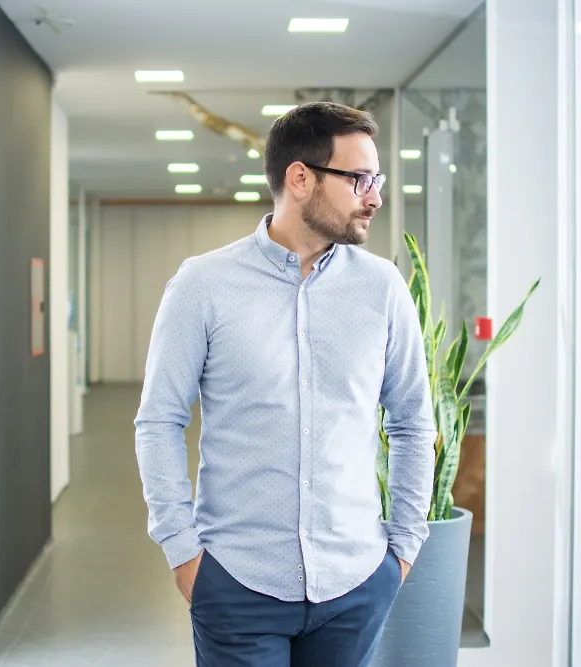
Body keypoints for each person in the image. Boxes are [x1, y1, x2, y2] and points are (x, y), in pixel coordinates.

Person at [133, 101, 437, 667]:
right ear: (300, 178)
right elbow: (158, 421)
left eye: (377, 180)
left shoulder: (383, 288)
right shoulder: (204, 285)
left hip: (355, 584)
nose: (374, 197)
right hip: (237, 584)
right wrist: (182, 553)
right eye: (360, 179)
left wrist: (402, 549)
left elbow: (413, 422)